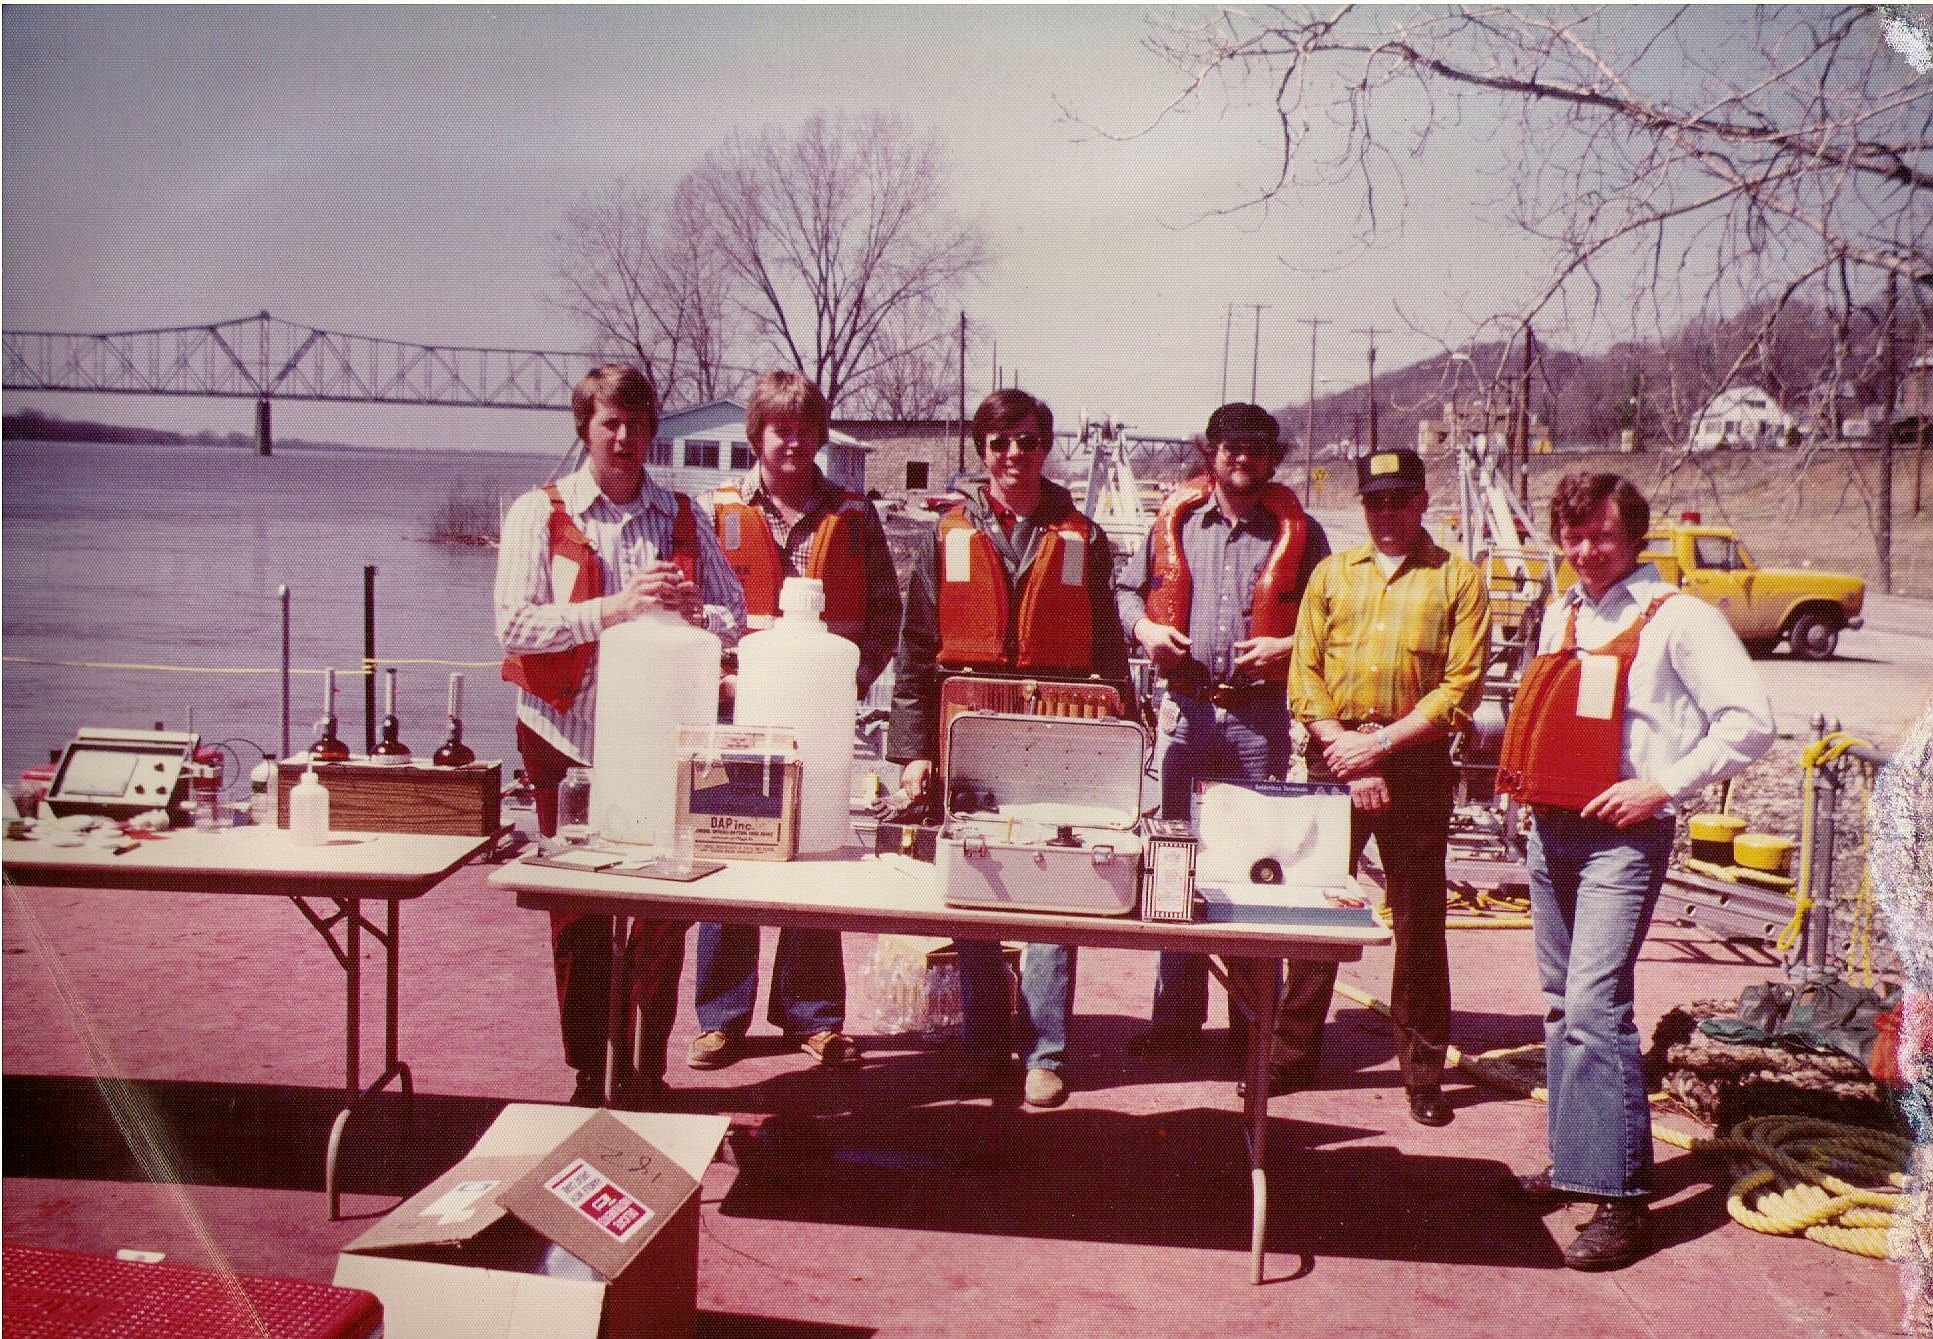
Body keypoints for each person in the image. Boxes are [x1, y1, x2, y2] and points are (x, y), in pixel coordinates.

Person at [1505, 472, 1772, 1270]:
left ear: (1635, 537)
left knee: (1595, 1004)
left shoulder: (1679, 617)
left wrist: (1662, 784)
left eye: (1602, 536)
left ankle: (1621, 1198)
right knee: (1558, 1006)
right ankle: (1574, 1160)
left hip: (1622, 837)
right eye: (1573, 535)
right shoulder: (1564, 610)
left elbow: (1749, 722)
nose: (1586, 551)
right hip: (1550, 828)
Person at [495, 363, 745, 1107]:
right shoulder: (536, 515)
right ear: (586, 429)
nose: (626, 437)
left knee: (663, 913)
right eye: (611, 423)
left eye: (638, 424)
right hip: (564, 736)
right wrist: (614, 607)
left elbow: (737, 615)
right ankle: (587, 1070)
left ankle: (645, 1068)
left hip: (660, 746)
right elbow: (513, 624)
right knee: (577, 914)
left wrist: (699, 609)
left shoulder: (682, 514)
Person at [887, 387, 1131, 1108]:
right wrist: (912, 748)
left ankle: (1046, 1051)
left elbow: (1108, 647)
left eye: (1028, 441)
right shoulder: (946, 534)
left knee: (1056, 890)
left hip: (1059, 720)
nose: (1014, 455)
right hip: (971, 725)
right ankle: (984, 1044)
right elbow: (914, 651)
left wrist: (1122, 736)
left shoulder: (1082, 534)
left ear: (1044, 446)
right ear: (981, 450)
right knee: (977, 884)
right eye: (1000, 443)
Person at [687, 371, 901, 1073]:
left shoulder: (854, 515)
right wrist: (712, 676)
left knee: (816, 860)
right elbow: (688, 609)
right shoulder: (711, 511)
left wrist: (851, 683)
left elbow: (883, 614)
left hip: (819, 717)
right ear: (757, 434)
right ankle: (721, 1017)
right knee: (727, 854)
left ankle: (811, 1016)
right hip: (733, 712)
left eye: (806, 429)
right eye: (781, 428)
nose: (793, 441)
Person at [1280, 447, 1491, 1126]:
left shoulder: (1457, 580)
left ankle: (1422, 1073)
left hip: (1416, 765)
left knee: (1419, 923)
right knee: (1313, 911)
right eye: (1375, 500)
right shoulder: (1331, 574)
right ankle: (1288, 1057)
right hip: (1334, 755)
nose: (1387, 513)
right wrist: (1345, 745)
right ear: (1361, 503)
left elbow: (1459, 690)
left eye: (1400, 498)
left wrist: (1380, 746)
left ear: (1423, 500)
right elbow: (1303, 674)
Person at [1115, 403, 1330, 1062]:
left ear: (1272, 458)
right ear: (1209, 451)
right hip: (1185, 709)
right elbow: (1124, 595)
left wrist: (1287, 648)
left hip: (1257, 719)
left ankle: (1246, 1024)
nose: (1242, 457)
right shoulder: (1174, 523)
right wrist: (1146, 630)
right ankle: (1177, 1019)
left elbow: (1329, 620)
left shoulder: (1303, 533)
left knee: (1248, 869)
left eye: (1256, 448)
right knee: (1173, 863)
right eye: (1230, 446)